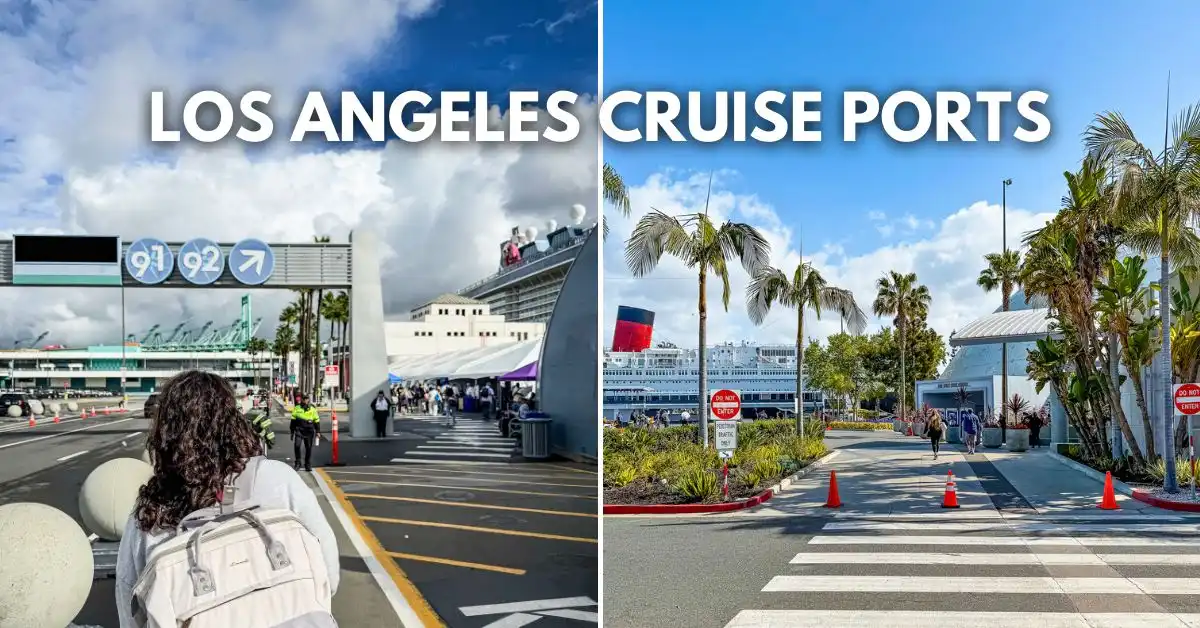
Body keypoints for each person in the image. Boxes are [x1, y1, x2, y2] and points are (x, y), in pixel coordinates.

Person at [115, 370, 340, 627]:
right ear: (233, 420)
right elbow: (327, 569)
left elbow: (129, 605)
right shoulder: (279, 479)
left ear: (165, 432)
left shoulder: (151, 511)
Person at [290, 395, 321, 471]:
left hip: (309, 431)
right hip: (299, 430)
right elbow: (293, 421)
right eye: (304, 399)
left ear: (308, 400)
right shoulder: (297, 408)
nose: (305, 401)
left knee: (309, 448)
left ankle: (307, 464)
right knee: (297, 446)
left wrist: (318, 431)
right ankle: (298, 463)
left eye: (307, 399)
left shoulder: (312, 409)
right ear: (302, 400)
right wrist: (292, 432)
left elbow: (317, 421)